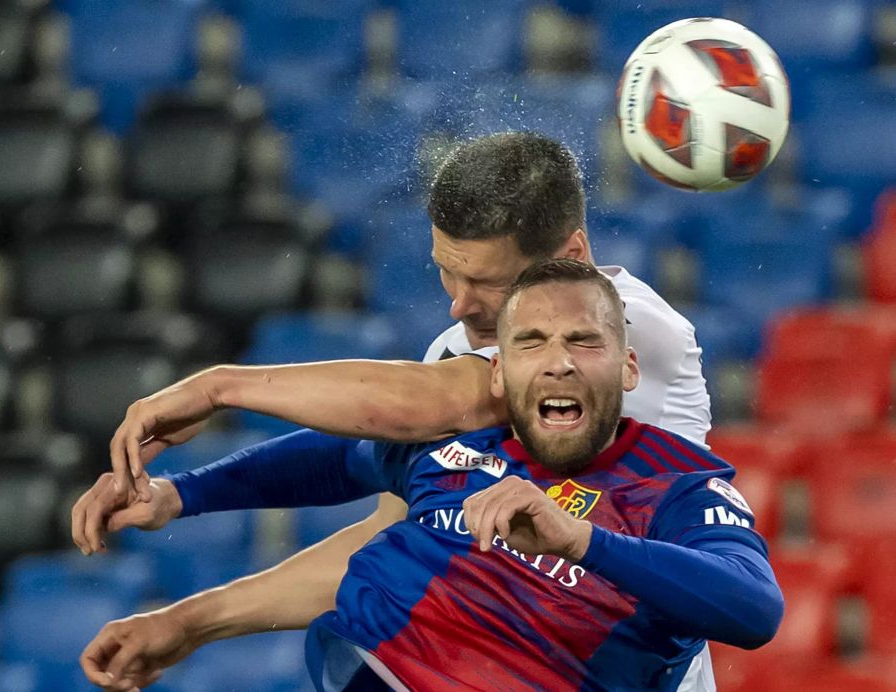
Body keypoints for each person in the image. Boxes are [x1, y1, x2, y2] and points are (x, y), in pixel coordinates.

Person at [71, 131, 711, 653]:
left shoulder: (632, 330)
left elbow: (439, 402)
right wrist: (188, 610)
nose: (459, 304)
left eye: (486, 281)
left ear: (572, 255)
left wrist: (221, 387)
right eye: (444, 270)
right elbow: (383, 538)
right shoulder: (453, 350)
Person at [81, 260, 782, 692]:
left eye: (584, 342)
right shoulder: (460, 451)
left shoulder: (679, 487)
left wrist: (581, 542)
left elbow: (755, 610)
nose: (559, 363)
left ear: (628, 368)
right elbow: (337, 459)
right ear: (498, 373)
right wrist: (180, 494)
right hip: (370, 668)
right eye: (532, 343)